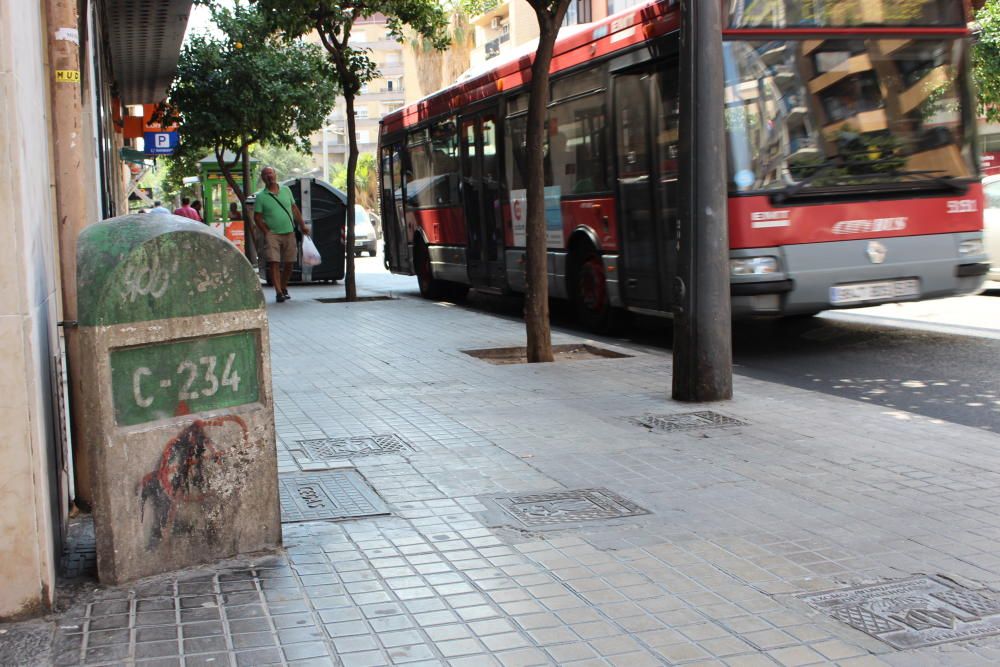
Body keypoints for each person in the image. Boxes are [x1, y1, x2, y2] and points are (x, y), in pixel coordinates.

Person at [253, 166, 308, 303]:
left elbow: (294, 209)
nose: (269, 176)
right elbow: (257, 217)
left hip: (289, 232)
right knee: (274, 263)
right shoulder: (261, 197)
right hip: (272, 235)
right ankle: (278, 292)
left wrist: (302, 225)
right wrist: (266, 232)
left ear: (275, 175)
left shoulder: (286, 190)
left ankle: (283, 287)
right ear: (263, 178)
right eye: (266, 175)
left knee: (289, 262)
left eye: (271, 173)